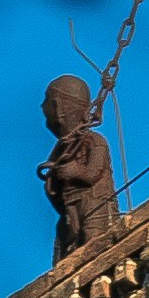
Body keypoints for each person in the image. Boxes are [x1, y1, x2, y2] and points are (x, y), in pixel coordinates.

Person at [40, 73, 118, 259]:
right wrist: (52, 184)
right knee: (65, 252)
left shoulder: (95, 140)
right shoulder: (61, 150)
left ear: (59, 107)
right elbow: (55, 194)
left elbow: (93, 173)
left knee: (95, 247)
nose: (43, 106)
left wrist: (74, 171)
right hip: (69, 209)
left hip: (94, 203)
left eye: (47, 100)